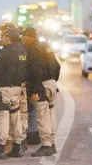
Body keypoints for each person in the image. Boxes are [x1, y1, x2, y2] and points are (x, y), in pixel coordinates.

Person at [0, 27, 27, 159]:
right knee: (16, 117)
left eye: (2, 36)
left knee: (2, 118)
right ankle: (17, 147)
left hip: (5, 89)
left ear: (8, 37)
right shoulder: (22, 50)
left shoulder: (5, 52)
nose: (1, 38)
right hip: (17, 89)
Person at [22, 27, 60, 157]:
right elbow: (57, 65)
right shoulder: (46, 46)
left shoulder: (34, 48)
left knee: (42, 116)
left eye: (24, 36)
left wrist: (35, 89)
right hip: (51, 84)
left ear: (29, 36)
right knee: (50, 114)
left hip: (42, 85)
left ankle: (46, 145)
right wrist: (54, 81)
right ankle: (52, 143)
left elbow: (35, 71)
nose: (23, 39)